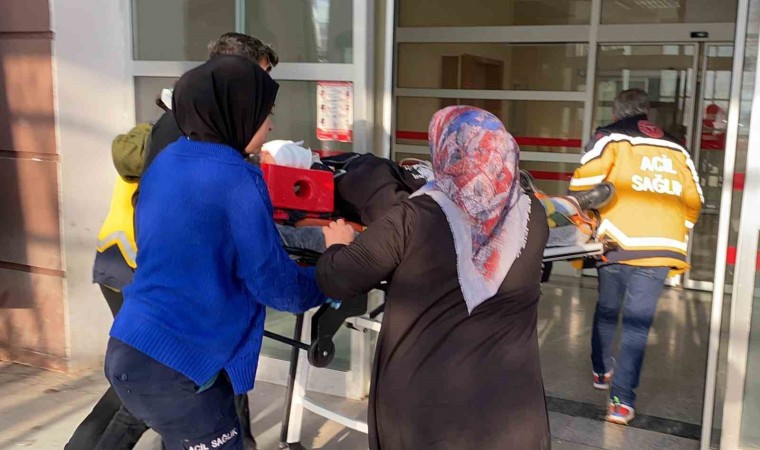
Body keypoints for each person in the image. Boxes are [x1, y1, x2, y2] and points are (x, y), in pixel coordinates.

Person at [66, 32, 279, 450]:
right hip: (139, 265)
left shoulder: (206, 127)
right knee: (148, 387)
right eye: (260, 78)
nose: (265, 94)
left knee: (193, 375)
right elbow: (167, 206)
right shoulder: (185, 130)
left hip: (142, 263)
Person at [103, 55, 324, 450]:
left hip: (131, 342)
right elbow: (278, 289)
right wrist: (335, 266)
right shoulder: (237, 176)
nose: (270, 125)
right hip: (180, 366)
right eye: (266, 114)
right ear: (237, 112)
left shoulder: (168, 159)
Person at [317, 106, 552, 449]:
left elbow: (338, 278)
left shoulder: (415, 217)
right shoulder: (533, 216)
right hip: (515, 418)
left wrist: (337, 245)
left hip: (428, 418)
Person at [569, 88, 703, 425]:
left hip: (616, 241)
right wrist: (678, 228)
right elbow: (694, 200)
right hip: (660, 246)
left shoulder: (610, 138)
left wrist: (586, 220)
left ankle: (601, 371)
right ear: (646, 113)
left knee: (607, 309)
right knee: (636, 327)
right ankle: (621, 403)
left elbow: (583, 185)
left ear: (617, 112)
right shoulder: (677, 147)